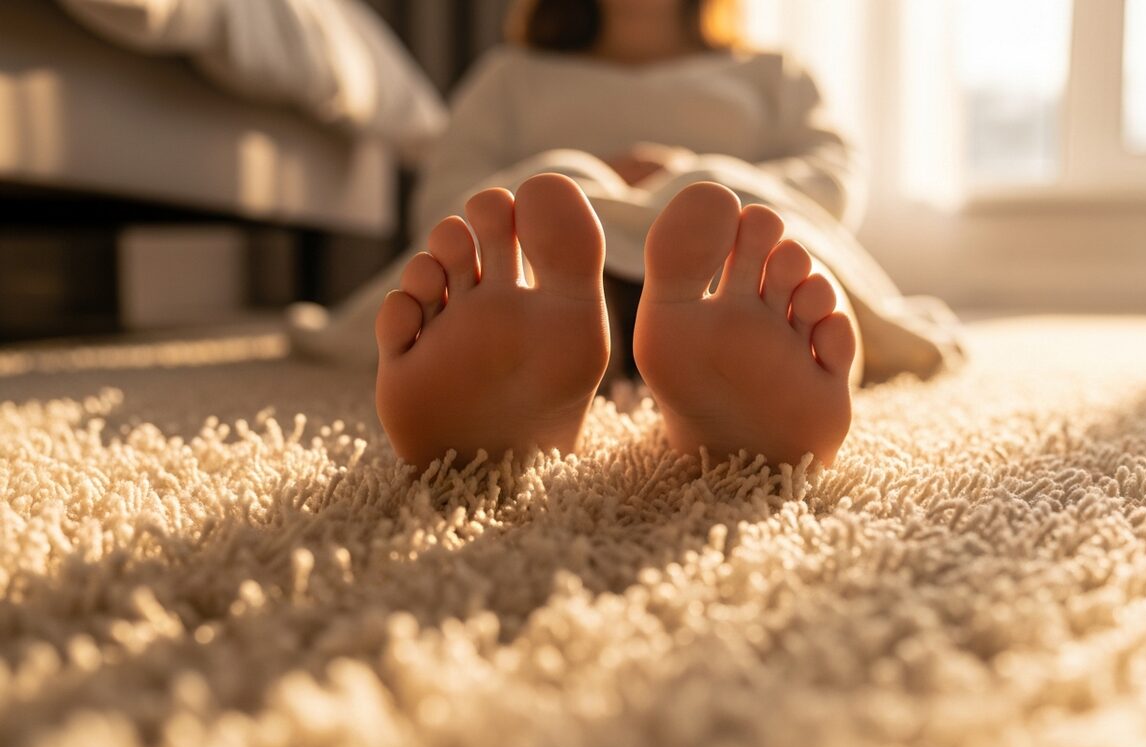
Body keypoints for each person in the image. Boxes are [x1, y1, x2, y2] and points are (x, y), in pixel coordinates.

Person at [353, 0, 961, 469]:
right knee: (557, 189)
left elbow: (832, 179)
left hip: (729, 258)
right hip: (562, 252)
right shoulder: (511, 76)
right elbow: (446, 192)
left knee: (739, 214)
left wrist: (685, 171)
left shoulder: (772, 72)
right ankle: (556, 357)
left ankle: (734, 372)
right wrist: (596, 175)